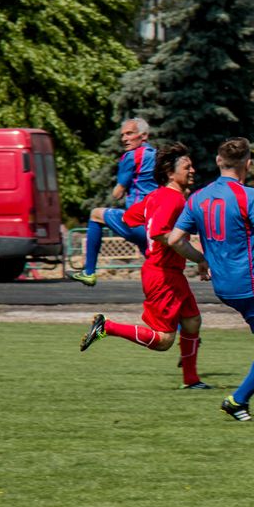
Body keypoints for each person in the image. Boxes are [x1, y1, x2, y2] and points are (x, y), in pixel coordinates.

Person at [165, 138, 254, 422]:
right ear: (248, 164)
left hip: (223, 286)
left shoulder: (197, 198)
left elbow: (174, 240)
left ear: (219, 162)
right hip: (250, 284)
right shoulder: (249, 196)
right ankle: (237, 400)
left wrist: (201, 260)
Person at [79, 144, 209, 389]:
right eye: (187, 167)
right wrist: (200, 258)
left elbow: (130, 218)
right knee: (164, 340)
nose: (193, 170)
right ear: (171, 173)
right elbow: (161, 232)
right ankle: (107, 327)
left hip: (168, 272)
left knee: (192, 321)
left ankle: (191, 380)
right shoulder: (172, 199)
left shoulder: (157, 196)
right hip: (162, 274)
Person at [71, 117, 157, 286]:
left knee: (95, 214)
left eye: (129, 133)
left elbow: (117, 193)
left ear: (144, 135)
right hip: (157, 223)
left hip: (137, 221)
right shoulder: (158, 155)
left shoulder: (132, 156)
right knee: (156, 268)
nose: (124, 139)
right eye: (122, 135)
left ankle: (89, 272)